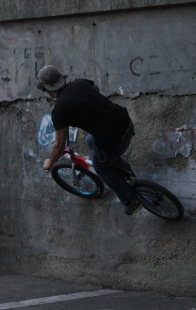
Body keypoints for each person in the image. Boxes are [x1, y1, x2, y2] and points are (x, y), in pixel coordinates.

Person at [36, 65, 143, 215]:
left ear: (48, 89)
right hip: (125, 121)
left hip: (115, 138)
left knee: (101, 168)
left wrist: (50, 163)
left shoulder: (59, 110)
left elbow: (59, 146)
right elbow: (95, 87)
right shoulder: (80, 83)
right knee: (90, 141)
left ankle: (130, 200)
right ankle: (128, 174)